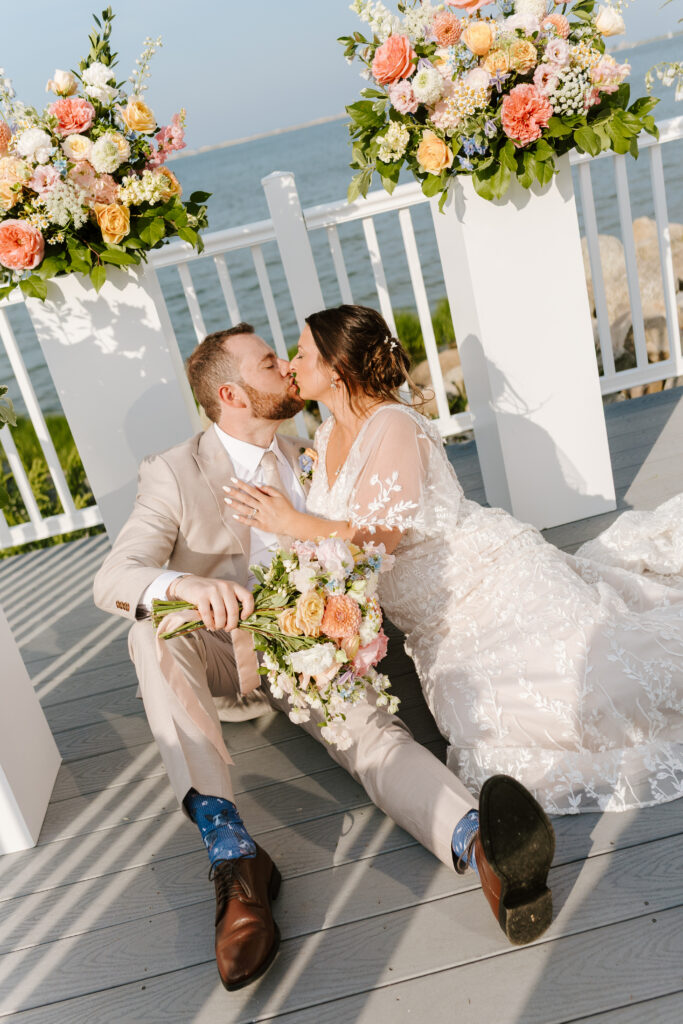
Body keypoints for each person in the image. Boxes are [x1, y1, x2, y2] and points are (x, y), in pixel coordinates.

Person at [93, 322, 556, 992]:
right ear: (231, 392)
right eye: (269, 363)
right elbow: (115, 578)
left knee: (373, 737)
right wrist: (187, 585)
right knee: (150, 631)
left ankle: (479, 847)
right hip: (223, 653)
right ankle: (233, 857)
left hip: (309, 640)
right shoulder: (173, 471)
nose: (286, 368)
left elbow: (356, 541)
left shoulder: (310, 454)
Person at [224, 305, 683, 820]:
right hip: (434, 620)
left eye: (302, 352)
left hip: (487, 576)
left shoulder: (394, 425)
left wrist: (293, 523)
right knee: (482, 725)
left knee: (598, 685)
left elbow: (380, 539)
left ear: (334, 368)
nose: (290, 364)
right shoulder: (327, 436)